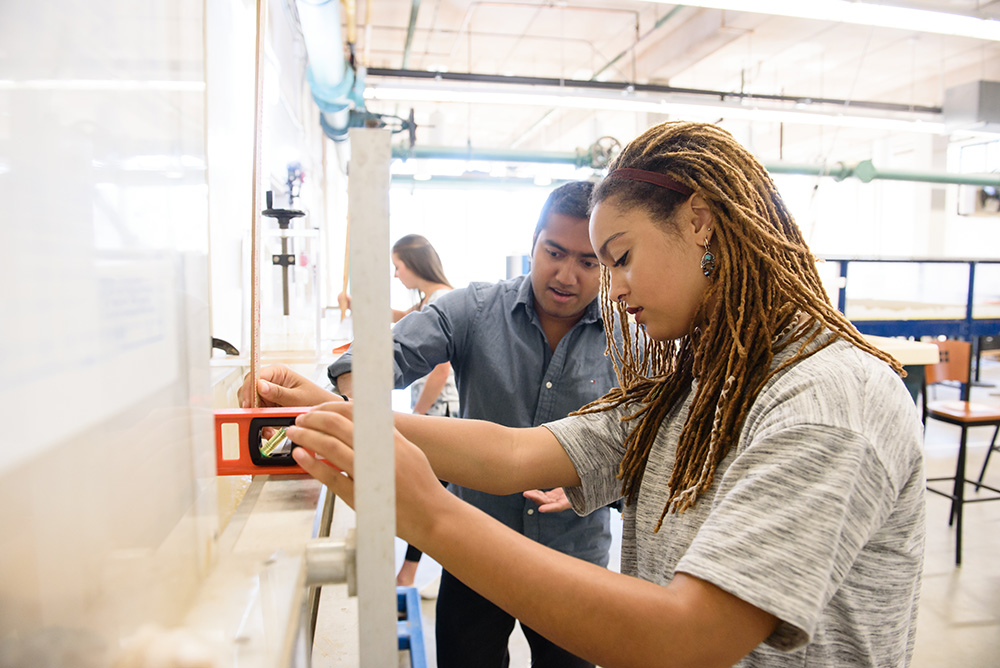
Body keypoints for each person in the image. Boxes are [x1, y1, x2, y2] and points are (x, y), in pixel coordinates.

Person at [283, 121, 926, 668]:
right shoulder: (693, 388)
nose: (609, 287)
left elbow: (692, 634)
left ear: (699, 222)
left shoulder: (828, 402)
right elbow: (511, 453)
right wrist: (345, 418)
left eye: (617, 258)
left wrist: (431, 516)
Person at [244, 181, 617, 668]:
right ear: (534, 242)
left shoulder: (630, 338)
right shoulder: (475, 309)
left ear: (607, 264)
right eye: (555, 252)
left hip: (574, 556)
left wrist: (595, 485)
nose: (567, 274)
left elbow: (643, 449)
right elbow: (386, 354)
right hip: (473, 550)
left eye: (588, 262)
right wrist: (348, 392)